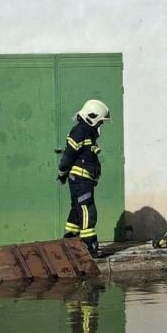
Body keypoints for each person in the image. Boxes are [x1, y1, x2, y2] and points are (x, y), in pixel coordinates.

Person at [57, 99, 110, 258]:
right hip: (80, 179)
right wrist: (62, 172)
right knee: (87, 209)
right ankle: (89, 247)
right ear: (92, 117)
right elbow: (68, 155)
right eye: (100, 121)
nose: (101, 125)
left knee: (77, 208)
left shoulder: (87, 132)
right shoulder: (80, 131)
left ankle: (70, 242)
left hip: (82, 180)